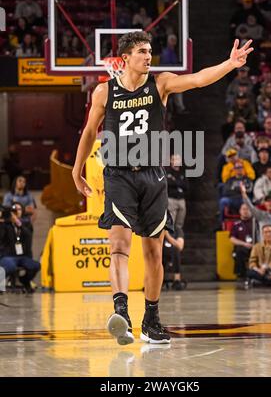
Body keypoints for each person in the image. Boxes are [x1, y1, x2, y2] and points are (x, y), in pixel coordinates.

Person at [72, 31, 254, 346]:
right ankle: (121, 313)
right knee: (118, 245)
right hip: (118, 175)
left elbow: (198, 80)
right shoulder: (104, 92)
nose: (148, 56)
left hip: (153, 176)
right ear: (125, 57)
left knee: (154, 252)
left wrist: (230, 64)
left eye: (150, 50)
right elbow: (89, 131)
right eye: (142, 51)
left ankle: (151, 319)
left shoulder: (162, 83)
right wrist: (77, 170)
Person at [0, 204, 40, 293]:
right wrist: (2, 222)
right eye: (13, 211)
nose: (16, 212)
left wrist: (18, 223)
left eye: (18, 209)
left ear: (22, 211)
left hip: (22, 256)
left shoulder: (26, 224)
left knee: (35, 265)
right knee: (10, 266)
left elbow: (28, 236)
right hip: (7, 255)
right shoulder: (5, 225)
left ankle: (24, 281)